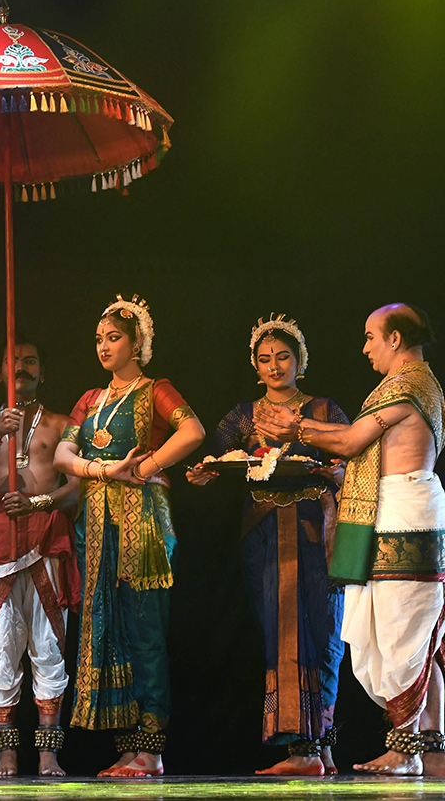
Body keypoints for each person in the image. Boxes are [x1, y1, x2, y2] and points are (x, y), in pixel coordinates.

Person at [255, 303, 445, 776]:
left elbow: (351, 442)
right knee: (417, 636)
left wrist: (296, 426)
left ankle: (406, 751)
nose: (364, 347)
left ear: (395, 339)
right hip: (401, 509)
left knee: (403, 629)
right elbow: (355, 439)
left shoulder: (408, 385)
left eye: (370, 337)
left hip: (405, 514)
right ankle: (432, 745)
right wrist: (305, 430)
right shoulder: (412, 385)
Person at [188, 315, 348, 775]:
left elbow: (352, 459)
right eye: (265, 359)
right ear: (255, 367)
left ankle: (321, 748)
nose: (274, 366)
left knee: (324, 631)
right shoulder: (243, 416)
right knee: (278, 633)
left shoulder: (322, 411)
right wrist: (203, 473)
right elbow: (215, 456)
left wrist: (335, 473)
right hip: (262, 533)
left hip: (315, 530)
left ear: (300, 360)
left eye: (283, 357)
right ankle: (305, 750)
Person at [52, 294, 205, 777]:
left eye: (113, 338)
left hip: (142, 522)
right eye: (99, 339)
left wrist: (148, 467)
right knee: (111, 629)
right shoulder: (90, 400)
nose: (103, 346)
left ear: (136, 342)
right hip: (96, 524)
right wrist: (103, 470)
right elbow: (61, 456)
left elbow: (194, 431)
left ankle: (152, 748)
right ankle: (129, 746)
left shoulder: (155, 389)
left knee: (145, 630)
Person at [0, 339, 79, 777]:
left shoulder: (61, 424)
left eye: (30, 361)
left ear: (42, 371)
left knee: (48, 643)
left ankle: (49, 753)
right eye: (12, 362)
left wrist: (39, 504)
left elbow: (78, 485)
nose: (21, 368)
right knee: (0, 646)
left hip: (45, 539)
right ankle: (7, 754)